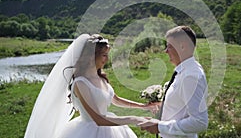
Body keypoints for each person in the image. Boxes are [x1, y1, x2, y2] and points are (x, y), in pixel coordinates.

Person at [25, 34, 156, 138]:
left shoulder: (101, 78)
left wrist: (143, 106)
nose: (107, 59)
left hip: (111, 129)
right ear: (90, 56)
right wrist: (134, 119)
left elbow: (115, 99)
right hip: (90, 131)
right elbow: (98, 119)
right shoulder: (80, 83)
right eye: (103, 55)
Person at [138, 26, 208, 138]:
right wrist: (163, 106)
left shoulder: (190, 76)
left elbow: (200, 122)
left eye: (169, 46)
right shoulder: (185, 71)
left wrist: (159, 127)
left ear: (182, 46)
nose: (166, 51)